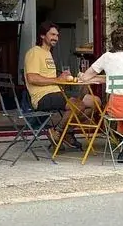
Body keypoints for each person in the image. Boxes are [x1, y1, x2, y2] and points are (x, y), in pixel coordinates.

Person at [79, 27, 123, 163]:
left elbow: (87, 76)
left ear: (112, 44)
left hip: (117, 108)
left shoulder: (107, 57)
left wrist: (83, 75)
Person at [24, 21, 96, 151]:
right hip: (42, 97)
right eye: (52, 34)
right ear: (42, 35)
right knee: (78, 104)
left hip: (56, 93)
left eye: (57, 35)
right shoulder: (35, 52)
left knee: (95, 102)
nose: (56, 38)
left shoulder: (48, 53)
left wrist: (62, 77)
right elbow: (32, 78)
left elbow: (50, 77)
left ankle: (65, 133)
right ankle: (57, 131)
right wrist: (57, 79)